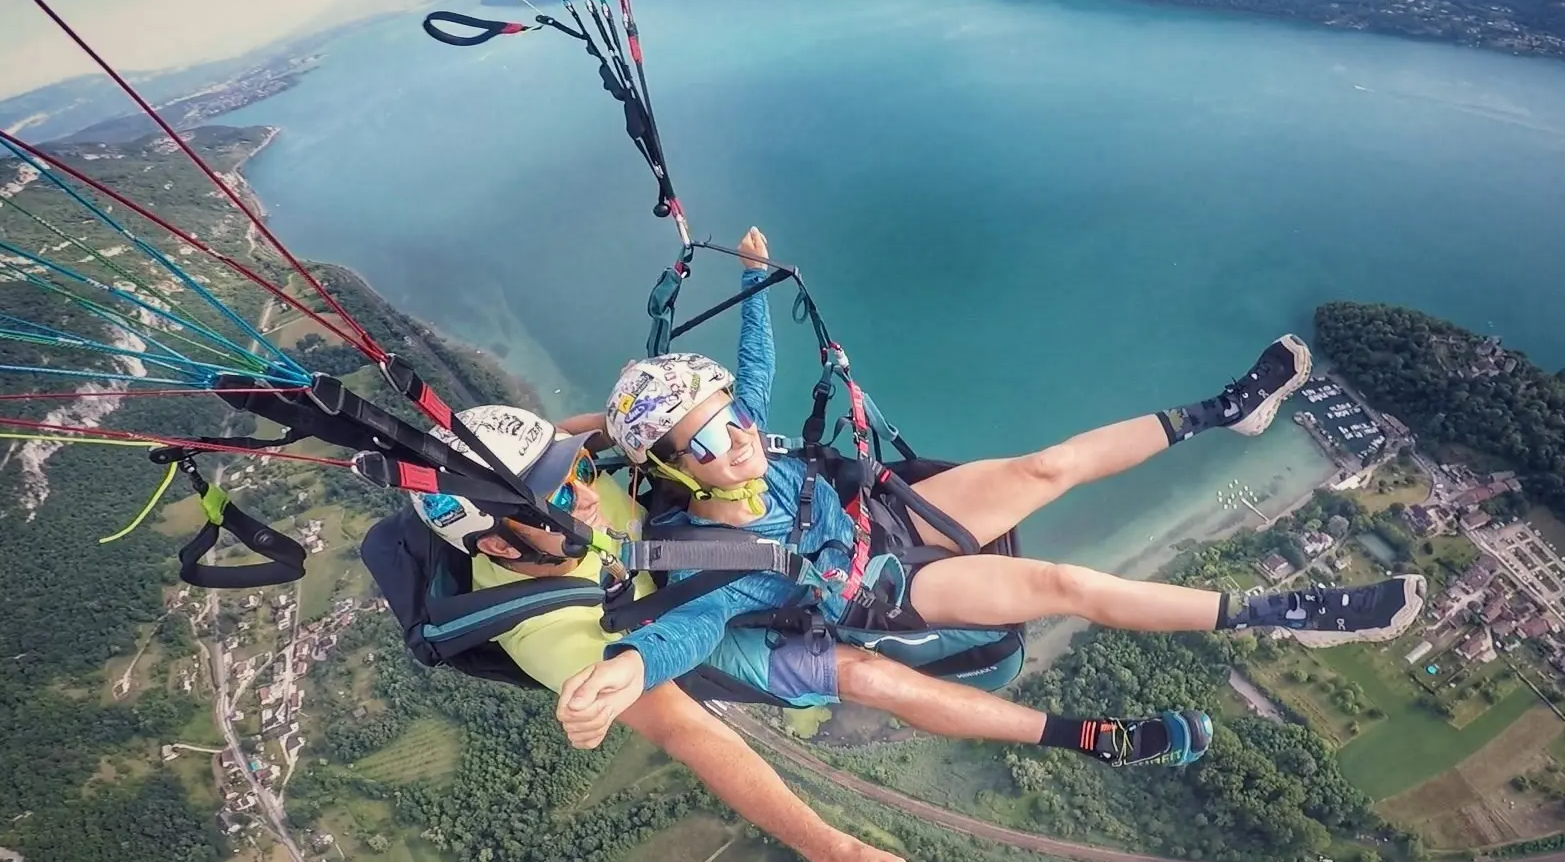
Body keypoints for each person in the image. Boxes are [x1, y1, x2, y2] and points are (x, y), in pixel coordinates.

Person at [558, 227, 1426, 766]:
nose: (739, 435)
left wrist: (752, 277)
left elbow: (755, 367)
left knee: (1048, 468)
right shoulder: (720, 563)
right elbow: (687, 632)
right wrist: (626, 671)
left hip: (880, 513)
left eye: (732, 420)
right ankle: (1292, 610)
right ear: (675, 473)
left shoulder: (738, 437)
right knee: (1068, 587)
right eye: (707, 440)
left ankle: (1224, 412)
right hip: (879, 587)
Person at [409, 403, 927, 862]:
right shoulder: (547, 629)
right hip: (696, 624)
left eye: (580, 471)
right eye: (562, 495)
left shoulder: (551, 518)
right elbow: (688, 732)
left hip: (708, 551)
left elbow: (560, 448)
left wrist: (612, 422)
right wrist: (837, 854)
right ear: (499, 544)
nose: (587, 496)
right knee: (868, 675)